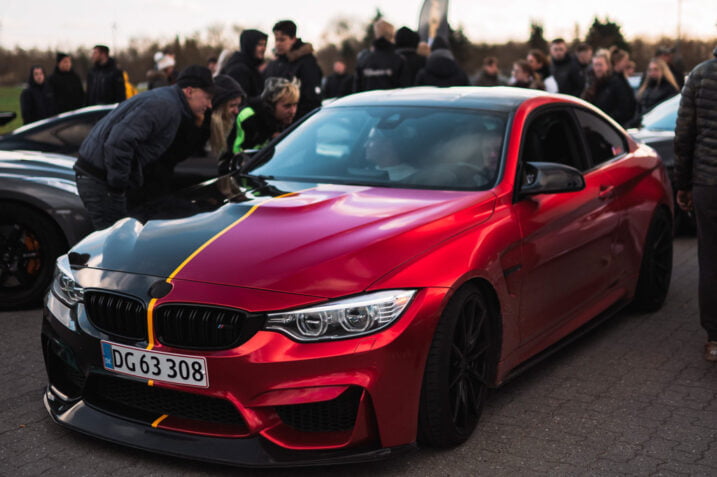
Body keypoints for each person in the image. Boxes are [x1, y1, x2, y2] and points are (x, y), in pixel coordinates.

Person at [74, 65, 214, 229]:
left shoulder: (168, 102)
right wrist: (118, 188)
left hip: (99, 178)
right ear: (189, 91)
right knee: (115, 242)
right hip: (100, 181)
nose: (210, 105)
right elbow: (119, 142)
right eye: (207, 97)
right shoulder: (166, 106)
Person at [674, 45, 717, 361]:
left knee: (711, 259)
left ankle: (715, 339)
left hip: (708, 182)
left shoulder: (699, 75)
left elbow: (684, 135)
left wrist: (683, 184)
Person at [226, 77, 299, 172]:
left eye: (295, 105)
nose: (293, 111)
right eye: (287, 106)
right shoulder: (249, 116)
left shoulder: (285, 118)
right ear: (271, 106)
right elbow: (238, 153)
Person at [263, 20, 322, 121]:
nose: (278, 44)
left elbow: (311, 100)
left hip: (299, 124)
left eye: (282, 40)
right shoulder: (276, 63)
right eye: (276, 40)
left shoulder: (307, 63)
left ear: (293, 39)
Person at [355, 19, 409, 92]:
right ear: (392, 35)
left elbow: (356, 91)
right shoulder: (398, 60)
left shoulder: (364, 60)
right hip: (391, 102)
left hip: (368, 102)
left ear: (376, 34)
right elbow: (404, 90)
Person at [581, 52, 633, 127]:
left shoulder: (617, 83)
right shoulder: (591, 84)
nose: (598, 68)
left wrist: (604, 120)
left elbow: (624, 110)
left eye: (600, 65)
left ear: (607, 66)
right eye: (595, 65)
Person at [208, 75, 246, 165]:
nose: (236, 111)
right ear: (219, 106)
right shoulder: (203, 129)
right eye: (232, 105)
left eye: (238, 105)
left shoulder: (233, 127)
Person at [220, 29, 268, 99]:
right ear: (250, 45)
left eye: (264, 45)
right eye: (260, 44)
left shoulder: (251, 67)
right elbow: (241, 101)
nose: (263, 48)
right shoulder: (239, 70)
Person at [610, 48, 638, 126]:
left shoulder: (621, 77)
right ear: (617, 62)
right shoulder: (614, 80)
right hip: (620, 121)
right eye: (625, 61)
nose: (627, 63)